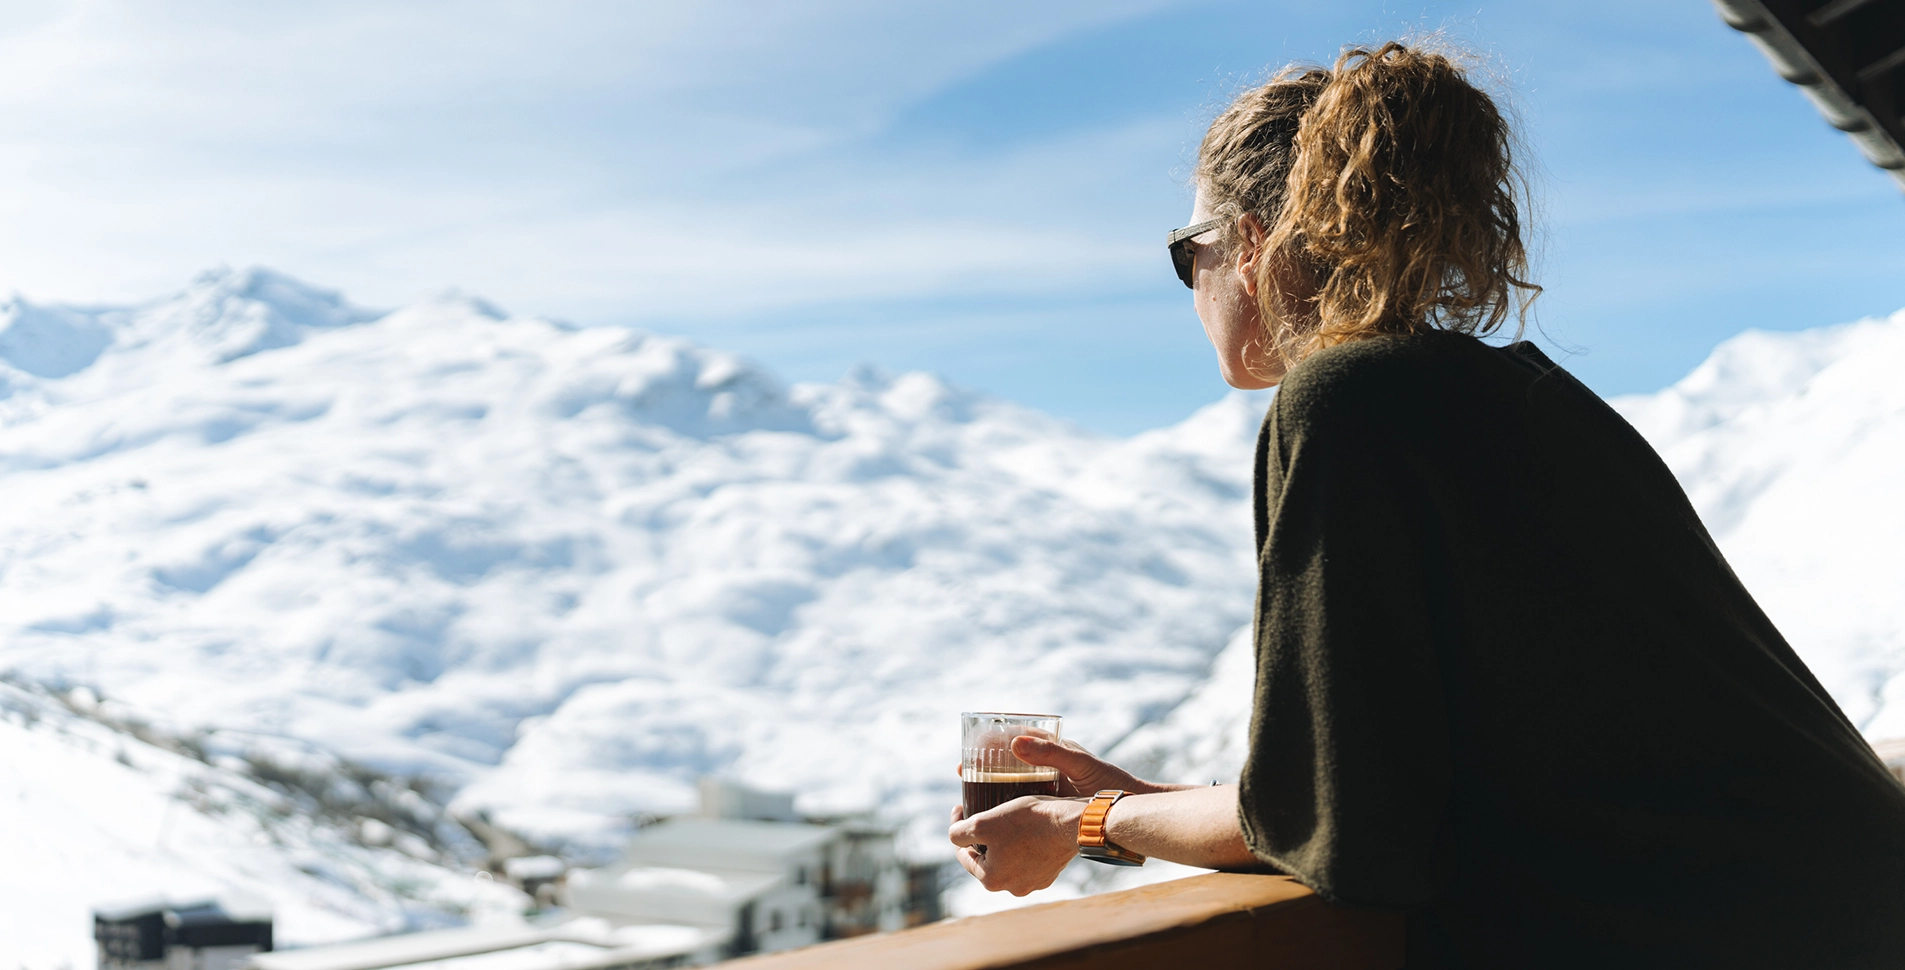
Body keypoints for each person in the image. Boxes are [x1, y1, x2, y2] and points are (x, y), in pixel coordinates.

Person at [947, 41, 1905, 968]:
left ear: (1250, 244)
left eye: (1184, 250)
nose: (1189, 286)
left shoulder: (1343, 402)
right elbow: (1370, 778)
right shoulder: (1516, 395)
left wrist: (1083, 822)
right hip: (1827, 906)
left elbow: (1348, 832)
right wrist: (1140, 803)